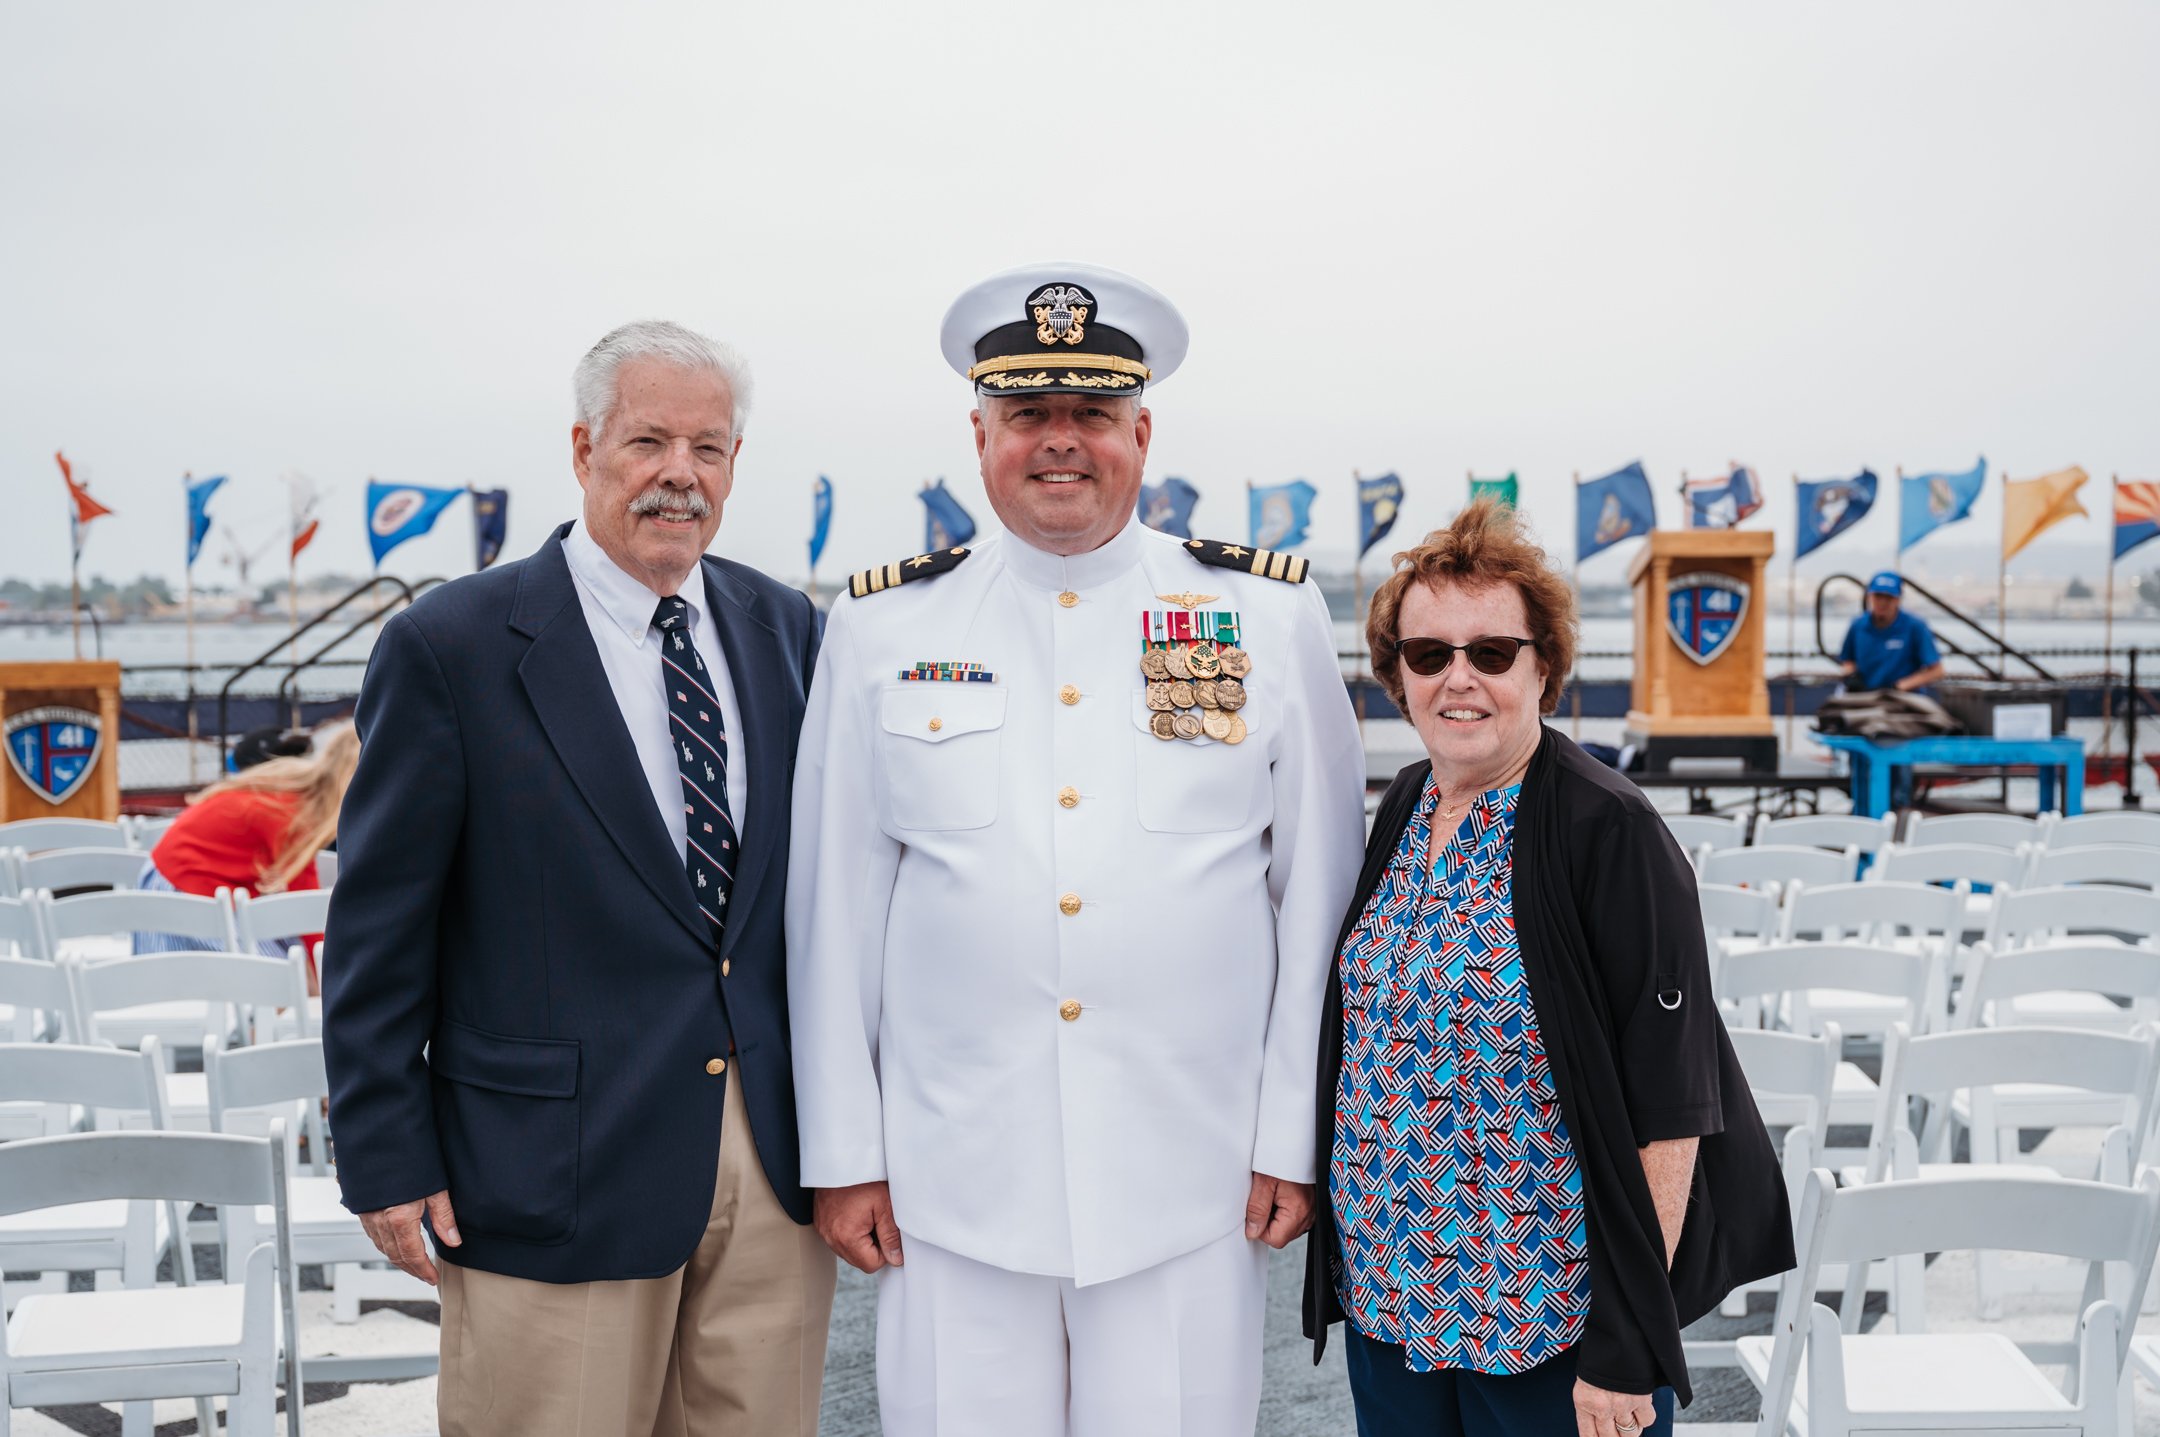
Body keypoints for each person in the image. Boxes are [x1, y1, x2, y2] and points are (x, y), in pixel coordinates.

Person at [788, 262, 1366, 1436]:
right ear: (980, 432)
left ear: (1141, 431)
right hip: (954, 1174)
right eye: (1029, 417)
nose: (1063, 444)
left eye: (1091, 416)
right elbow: (834, 906)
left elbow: (1317, 898)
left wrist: (1291, 1137)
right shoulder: (882, 624)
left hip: (1189, 1174)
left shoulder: (1264, 615)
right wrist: (843, 1152)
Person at [322, 320, 833, 1437]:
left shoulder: (787, 627)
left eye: (710, 448)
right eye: (649, 440)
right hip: (546, 1172)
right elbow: (377, 927)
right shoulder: (449, 646)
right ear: (583, 447)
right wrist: (384, 1155)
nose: (679, 476)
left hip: (770, 1173)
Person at [1303, 501, 1793, 1437]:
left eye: (1492, 652)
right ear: (1394, 674)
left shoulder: (1610, 831)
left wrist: (1625, 1341)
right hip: (1395, 1294)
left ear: (1545, 668)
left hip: (1547, 1322)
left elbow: (1672, 1114)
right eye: (1427, 653)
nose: (1459, 678)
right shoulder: (1406, 803)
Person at [133, 719, 356, 963]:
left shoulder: (290, 783)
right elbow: (303, 907)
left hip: (176, 876)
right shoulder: (293, 813)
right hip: (183, 890)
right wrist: (328, 972)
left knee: (291, 964)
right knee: (273, 978)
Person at [1837, 571, 1947, 694]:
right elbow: (1847, 660)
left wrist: (1900, 686)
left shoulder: (1915, 626)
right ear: (1869, 596)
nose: (1882, 602)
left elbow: (1937, 671)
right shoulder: (1858, 625)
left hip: (1904, 698)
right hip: (1866, 694)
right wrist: (1852, 676)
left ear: (1898, 599)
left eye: (1889, 597)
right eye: (1878, 596)